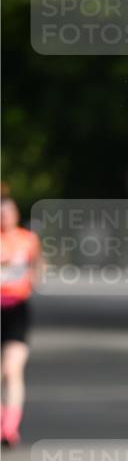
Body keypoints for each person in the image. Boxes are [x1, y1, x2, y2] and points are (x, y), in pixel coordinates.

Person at [1, 189, 41, 447]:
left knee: (12, 369)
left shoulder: (28, 239)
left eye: (8, 211)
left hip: (17, 309)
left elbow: (37, 267)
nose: (5, 216)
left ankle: (10, 427)